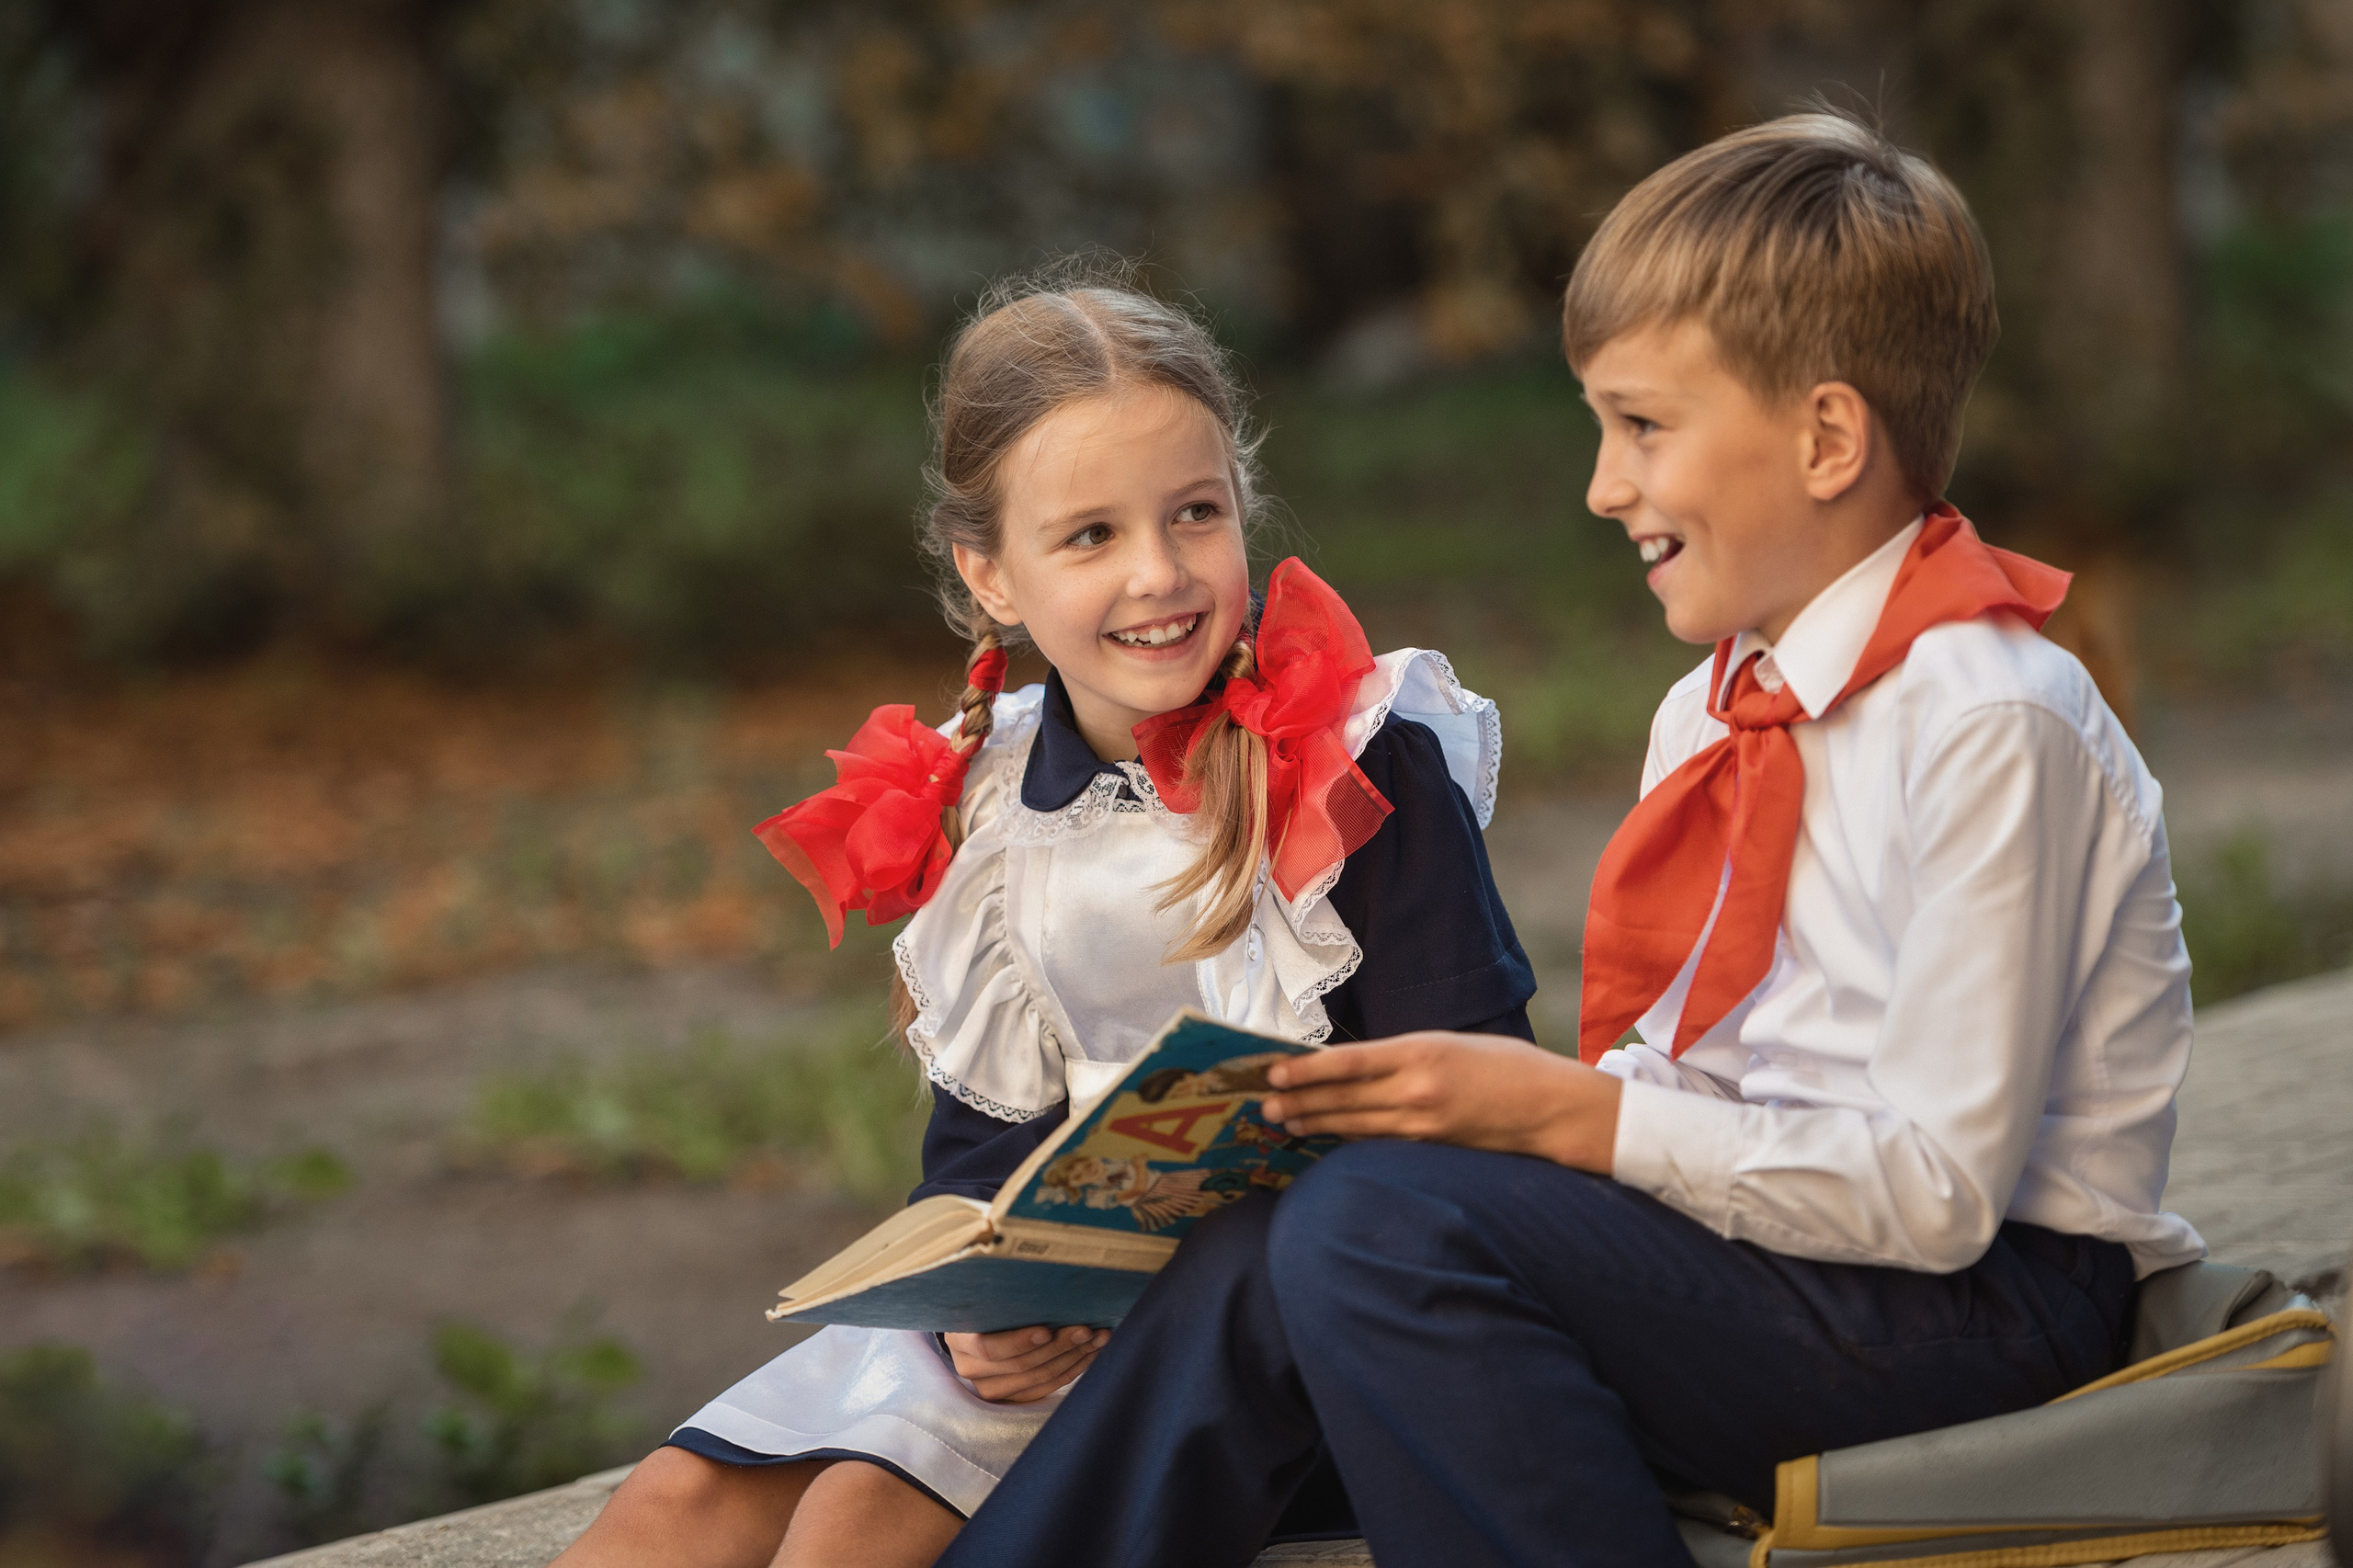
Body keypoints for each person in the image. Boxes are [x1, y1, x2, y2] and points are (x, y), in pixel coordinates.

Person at [931, 111, 2206, 1568]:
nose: (1603, 484)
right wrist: (1535, 1126)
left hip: (1982, 1302)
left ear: (1827, 436)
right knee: (1286, 1245)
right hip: (1773, 1265)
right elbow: (1697, 1079)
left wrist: (1563, 1117)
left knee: (1369, 1231)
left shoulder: (1992, 721)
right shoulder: (1714, 709)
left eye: (1643, 426)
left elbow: (1936, 1195)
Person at [550, 268, 1536, 1568]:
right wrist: (980, 1313)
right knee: (672, 1508)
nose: (1160, 573)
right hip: (1046, 1339)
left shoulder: (1359, 752)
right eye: (1090, 537)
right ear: (991, 578)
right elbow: (976, 1158)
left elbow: (1487, 1095)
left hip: (1286, 1329)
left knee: (851, 1524)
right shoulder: (994, 799)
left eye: (1196, 513)